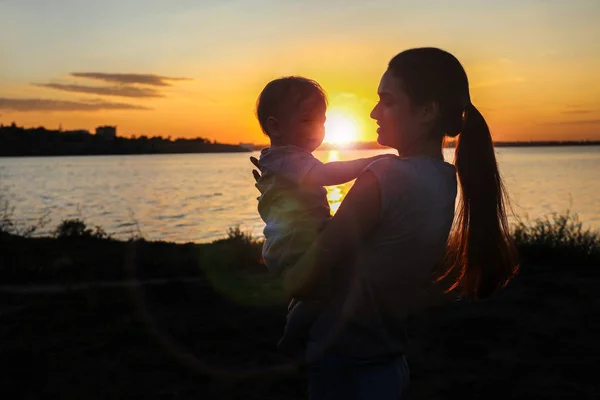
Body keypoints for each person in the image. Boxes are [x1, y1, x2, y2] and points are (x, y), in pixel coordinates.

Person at [252, 48, 519, 399]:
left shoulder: (385, 175)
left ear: (426, 111)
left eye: (387, 101)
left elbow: (304, 279)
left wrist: (279, 220)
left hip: (346, 367)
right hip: (388, 359)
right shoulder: (443, 179)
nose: (374, 112)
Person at [252, 76, 392, 356]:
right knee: (321, 289)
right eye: (306, 121)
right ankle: (292, 337)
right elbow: (325, 175)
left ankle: (298, 321)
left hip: (292, 239)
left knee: (313, 290)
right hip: (296, 242)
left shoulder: (282, 157)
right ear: (275, 126)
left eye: (321, 120)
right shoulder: (290, 157)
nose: (317, 129)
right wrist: (372, 161)